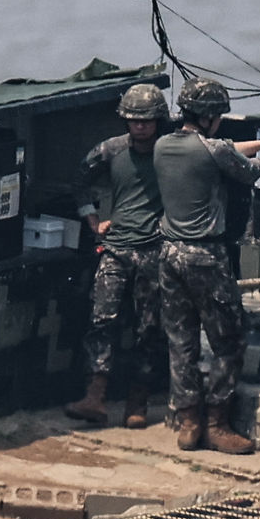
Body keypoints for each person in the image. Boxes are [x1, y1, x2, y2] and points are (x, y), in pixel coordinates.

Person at [153, 77, 260, 454]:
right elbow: (242, 168)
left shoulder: (164, 146)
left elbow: (218, 149)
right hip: (205, 258)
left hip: (169, 255)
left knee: (181, 343)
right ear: (212, 116)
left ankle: (189, 424)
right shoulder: (212, 150)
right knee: (229, 339)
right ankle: (217, 423)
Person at [65, 82, 169, 429]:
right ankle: (95, 396)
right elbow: (79, 180)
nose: (140, 126)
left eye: (147, 120)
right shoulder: (110, 150)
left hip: (154, 249)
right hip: (116, 247)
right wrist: (94, 221)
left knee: (148, 329)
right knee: (101, 321)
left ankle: (137, 402)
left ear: (158, 121)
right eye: (134, 120)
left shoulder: (169, 152)